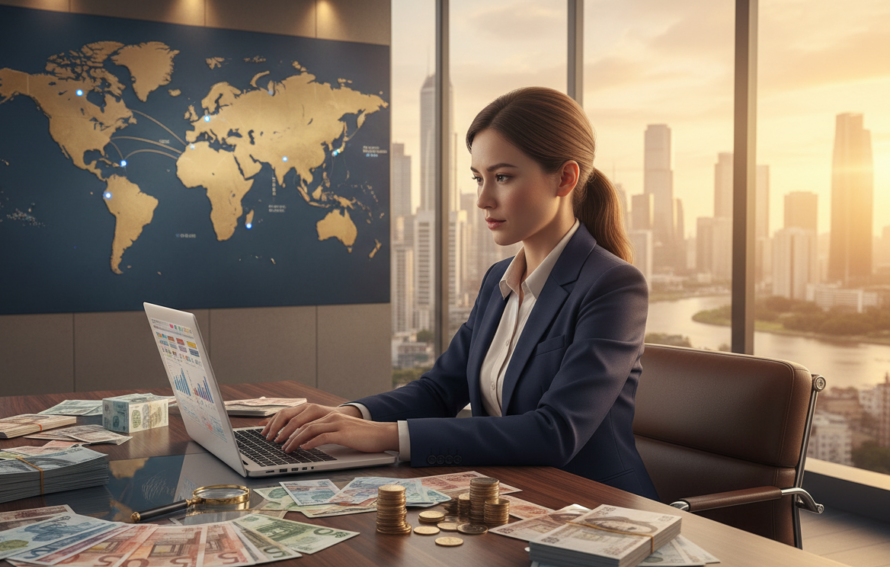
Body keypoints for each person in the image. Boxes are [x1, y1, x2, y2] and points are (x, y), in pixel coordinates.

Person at [262, 87, 659, 500]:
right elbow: (440, 390)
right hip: (511, 499)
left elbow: (556, 431)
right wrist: (346, 416)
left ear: (565, 178)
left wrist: (384, 435)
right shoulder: (498, 280)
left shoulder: (613, 286)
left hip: (596, 509)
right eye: (478, 179)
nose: (483, 199)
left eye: (502, 177)